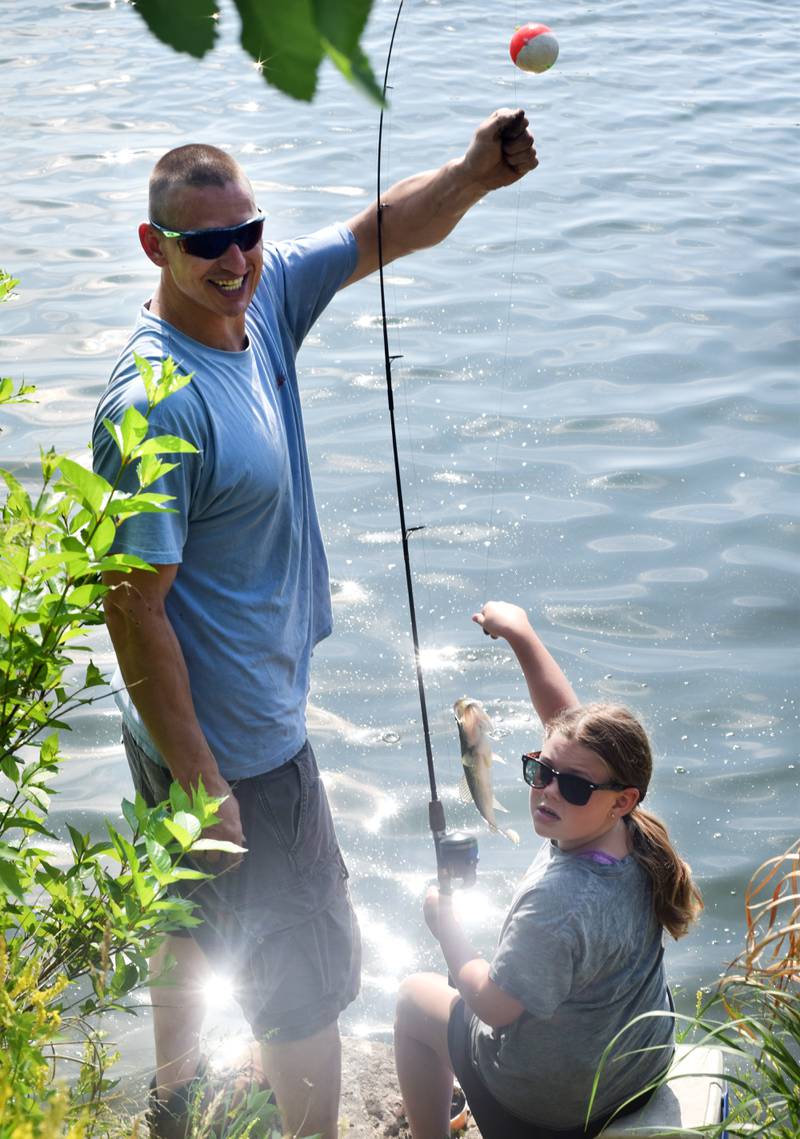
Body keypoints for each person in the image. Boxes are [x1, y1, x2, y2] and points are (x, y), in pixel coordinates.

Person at [91, 112, 538, 1139]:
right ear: (156, 246)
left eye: (247, 232)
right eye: (205, 244)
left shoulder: (261, 296)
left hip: (181, 728)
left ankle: (171, 1096)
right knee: (305, 978)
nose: (235, 258)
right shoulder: (151, 407)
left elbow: (375, 232)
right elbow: (132, 602)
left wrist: (471, 175)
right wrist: (206, 777)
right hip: (235, 744)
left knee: (187, 918)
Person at [394, 601, 703, 1139]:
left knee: (415, 999)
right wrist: (521, 635)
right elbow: (568, 728)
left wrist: (447, 928)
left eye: (574, 786)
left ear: (620, 798)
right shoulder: (631, 831)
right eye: (540, 769)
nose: (548, 791)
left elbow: (494, 1007)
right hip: (635, 1072)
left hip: (549, 1106)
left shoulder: (560, 902)